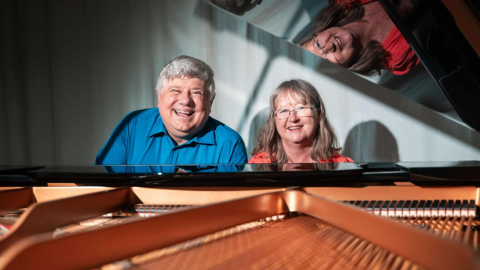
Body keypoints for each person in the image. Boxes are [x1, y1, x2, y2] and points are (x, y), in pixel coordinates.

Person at [96, 55, 248, 165]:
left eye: (196, 92)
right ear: (159, 95)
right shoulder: (133, 125)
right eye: (175, 90)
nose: (185, 100)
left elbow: (230, 205)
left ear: (211, 101)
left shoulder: (230, 145)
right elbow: (102, 185)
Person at [299, 0, 421, 76]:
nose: (329, 46)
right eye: (326, 61)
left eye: (318, 45)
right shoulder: (396, 59)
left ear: (318, 32)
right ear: (342, 69)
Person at [249, 79, 353, 163]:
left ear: (319, 115)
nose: (293, 118)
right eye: (284, 110)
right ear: (274, 121)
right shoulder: (257, 165)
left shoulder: (342, 166)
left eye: (301, 108)